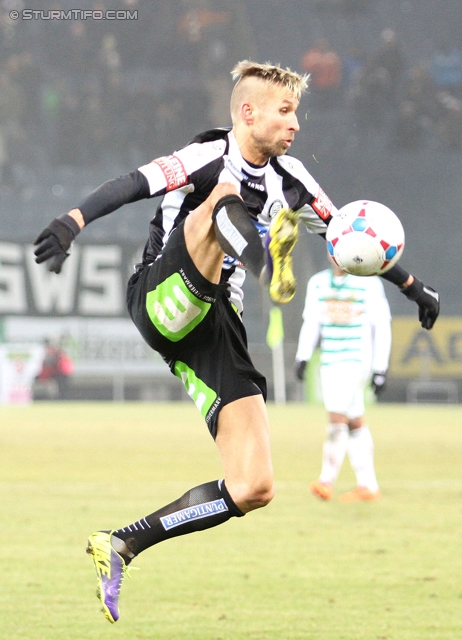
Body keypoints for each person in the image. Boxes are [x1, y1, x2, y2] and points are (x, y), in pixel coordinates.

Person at [33, 60, 440, 624]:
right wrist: (72, 221)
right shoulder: (207, 155)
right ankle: (264, 260)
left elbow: (350, 233)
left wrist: (414, 287)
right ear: (248, 113)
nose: (295, 122)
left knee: (254, 485)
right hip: (163, 292)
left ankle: (122, 543)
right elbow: (133, 184)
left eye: (296, 111)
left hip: (216, 325)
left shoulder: (293, 178)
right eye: (285, 110)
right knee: (220, 196)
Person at [295, 257, 392, 502]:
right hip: (329, 362)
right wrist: (303, 356)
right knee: (354, 420)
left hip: (356, 360)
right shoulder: (318, 283)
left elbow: (381, 326)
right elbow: (311, 322)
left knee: (336, 418)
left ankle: (326, 480)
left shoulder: (368, 283)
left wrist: (380, 368)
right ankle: (368, 485)